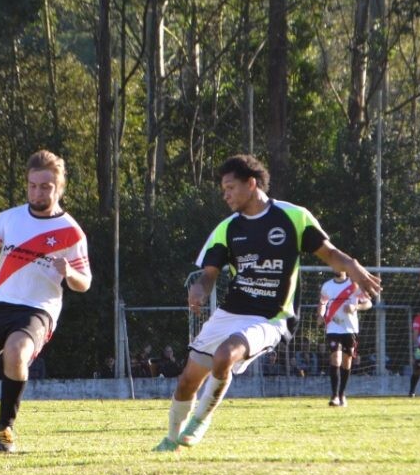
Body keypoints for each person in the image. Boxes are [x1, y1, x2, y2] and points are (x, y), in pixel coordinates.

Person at [155, 154, 381, 451]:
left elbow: (328, 252)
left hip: (271, 317)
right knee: (187, 380)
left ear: (251, 184)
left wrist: (352, 265)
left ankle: (200, 421)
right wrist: (198, 288)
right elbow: (209, 274)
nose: (226, 195)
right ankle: (171, 440)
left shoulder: (294, 217)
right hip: (231, 311)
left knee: (225, 356)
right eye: (223, 190)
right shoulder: (227, 229)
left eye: (230, 187)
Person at [0, 149, 91, 453]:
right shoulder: (10, 218)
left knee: (16, 351)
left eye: (45, 186)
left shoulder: (71, 232)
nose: (37, 192)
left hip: (38, 309)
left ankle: (5, 430)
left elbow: (84, 282)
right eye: (32, 186)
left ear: (59, 187)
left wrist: (69, 274)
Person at [318, 268, 373, 406]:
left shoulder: (354, 285)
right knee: (335, 358)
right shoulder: (327, 286)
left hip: (350, 328)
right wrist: (320, 314)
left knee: (346, 362)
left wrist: (356, 308)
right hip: (332, 327)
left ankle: (342, 394)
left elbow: (368, 303)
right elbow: (322, 302)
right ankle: (334, 396)